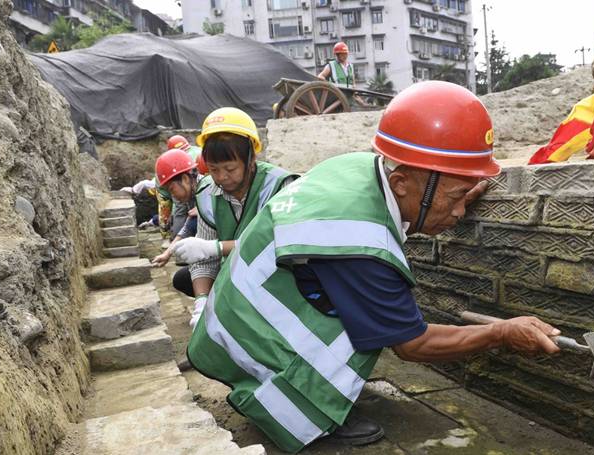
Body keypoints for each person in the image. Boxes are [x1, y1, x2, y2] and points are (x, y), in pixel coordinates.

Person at [185, 81, 562, 453]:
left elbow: (394, 212)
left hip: (231, 316)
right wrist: (501, 333)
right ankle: (300, 410)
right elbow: (413, 343)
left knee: (364, 313)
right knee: (371, 329)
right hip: (242, 341)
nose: (460, 211)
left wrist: (455, 190)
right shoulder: (359, 244)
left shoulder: (360, 168)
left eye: (464, 196)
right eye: (455, 197)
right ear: (401, 182)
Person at [170, 107, 297, 329]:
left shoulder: (279, 186)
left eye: (230, 168)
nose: (222, 177)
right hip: (237, 273)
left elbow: (281, 245)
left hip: (277, 274)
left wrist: (216, 248)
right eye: (213, 169)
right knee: (183, 277)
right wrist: (201, 302)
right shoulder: (207, 192)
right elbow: (204, 258)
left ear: (251, 158)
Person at [150, 149, 201, 298]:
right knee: (180, 279)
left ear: (185, 179)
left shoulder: (208, 191)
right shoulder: (192, 195)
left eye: (172, 190)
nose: (173, 196)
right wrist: (167, 253)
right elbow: (188, 226)